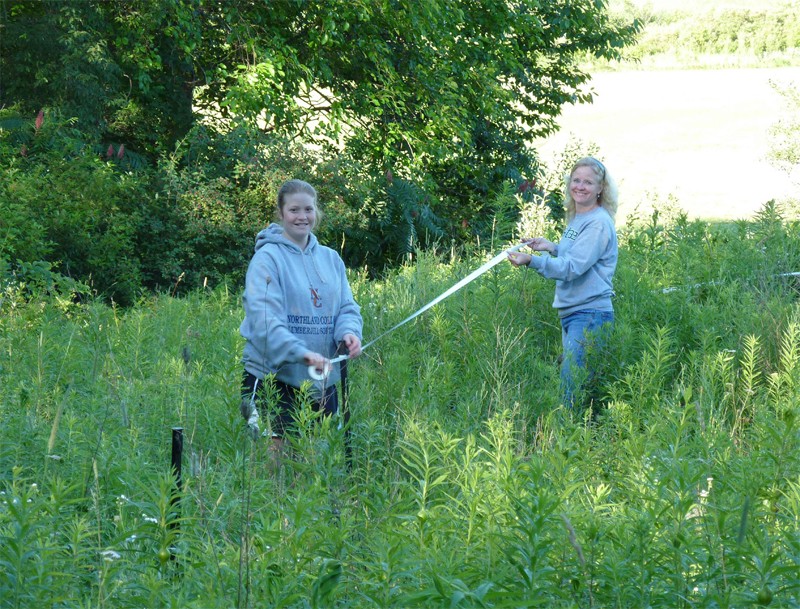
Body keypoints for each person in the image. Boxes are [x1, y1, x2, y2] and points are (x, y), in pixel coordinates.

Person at [239, 179, 363, 446]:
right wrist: (303, 354)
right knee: (274, 470)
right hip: (273, 381)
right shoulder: (267, 259)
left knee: (315, 466)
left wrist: (349, 332)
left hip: (321, 383)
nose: (302, 217)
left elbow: (346, 307)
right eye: (294, 210)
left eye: (308, 209)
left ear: (316, 212)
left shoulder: (330, 259)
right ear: (281, 213)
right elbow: (264, 322)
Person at [508, 157, 618, 409]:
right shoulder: (579, 218)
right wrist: (552, 247)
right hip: (573, 312)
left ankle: (568, 440)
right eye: (576, 180)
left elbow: (573, 268)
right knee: (576, 387)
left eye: (588, 182)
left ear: (601, 188)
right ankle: (579, 438)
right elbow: (578, 257)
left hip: (589, 314)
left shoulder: (598, 223)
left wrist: (532, 261)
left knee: (571, 391)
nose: (580, 186)